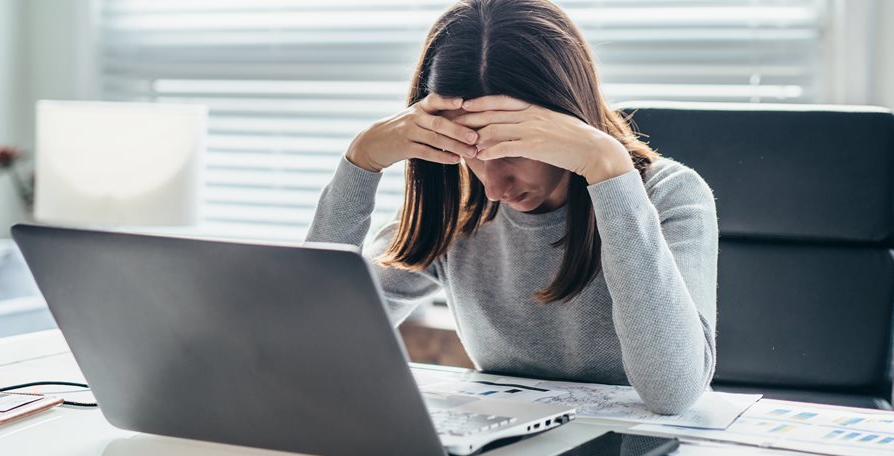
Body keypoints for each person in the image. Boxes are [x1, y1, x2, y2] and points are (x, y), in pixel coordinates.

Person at [306, 0, 718, 415]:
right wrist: (359, 164)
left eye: (513, 148)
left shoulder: (671, 194)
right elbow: (315, 351)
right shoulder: (460, 210)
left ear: (566, 120)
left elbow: (672, 392)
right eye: (472, 151)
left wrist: (607, 168)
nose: (494, 186)